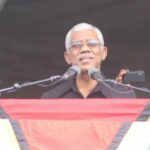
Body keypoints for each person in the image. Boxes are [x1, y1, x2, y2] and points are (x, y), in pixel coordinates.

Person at [41, 23, 136, 99]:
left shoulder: (123, 95)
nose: (85, 49)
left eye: (92, 43)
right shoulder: (51, 98)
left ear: (104, 53)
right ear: (67, 57)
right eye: (77, 45)